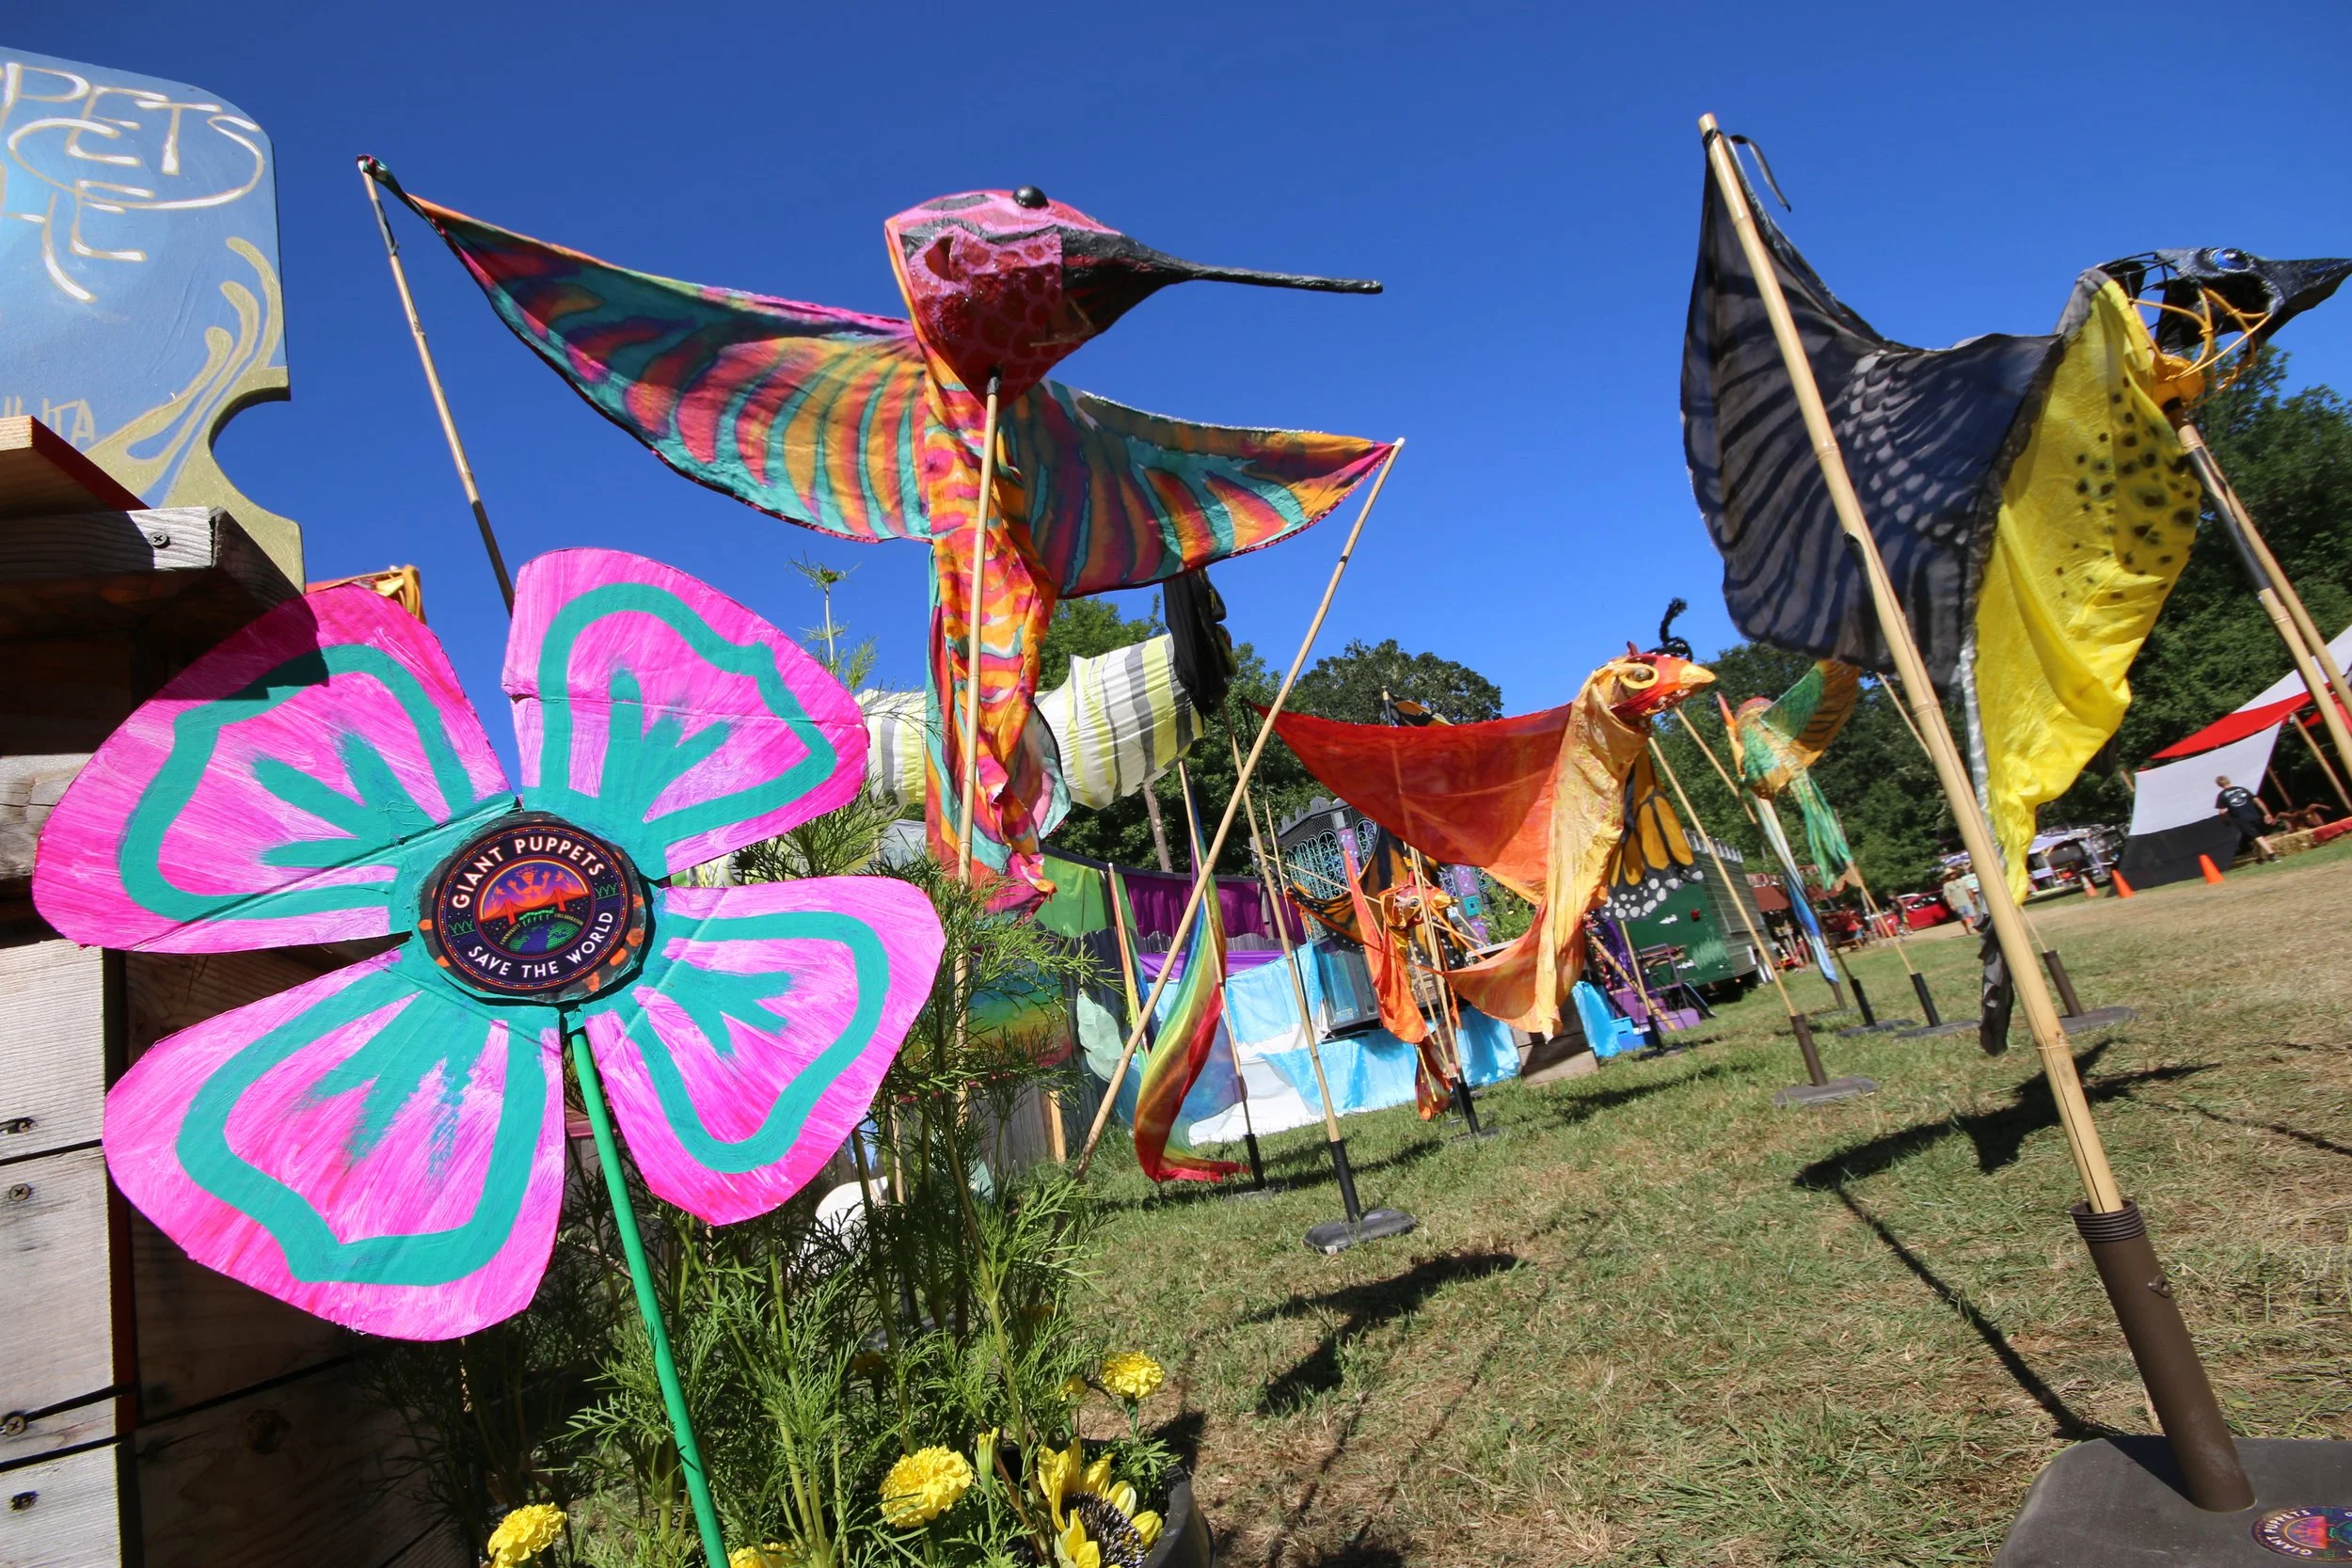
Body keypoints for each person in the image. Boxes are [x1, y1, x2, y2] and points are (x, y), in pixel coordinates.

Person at [2215, 775, 2279, 863]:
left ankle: (2272, 854)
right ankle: (2260, 858)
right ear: (2229, 781)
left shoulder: (2222, 795)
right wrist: (2267, 813)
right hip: (2255, 815)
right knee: (2257, 836)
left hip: (2241, 819)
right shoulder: (2242, 789)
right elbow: (2258, 801)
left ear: (2219, 785)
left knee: (2257, 836)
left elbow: (2222, 812)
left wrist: (2224, 821)